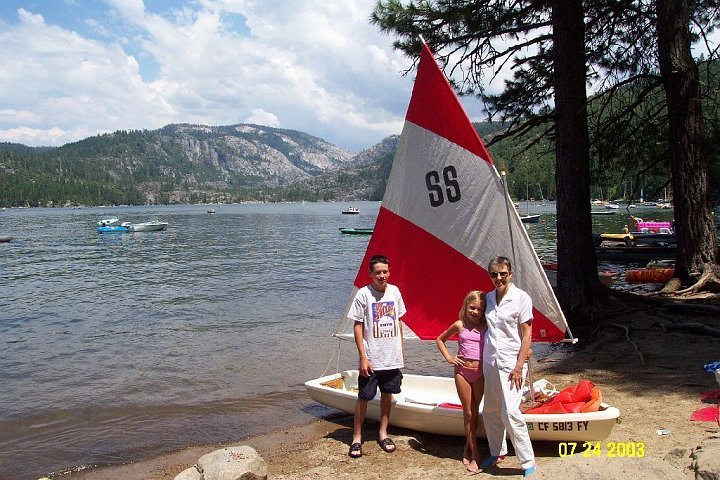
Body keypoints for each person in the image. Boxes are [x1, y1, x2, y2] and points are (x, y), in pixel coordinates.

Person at [481, 256, 536, 477]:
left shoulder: (521, 298)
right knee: (491, 409)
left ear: (510, 274)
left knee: (511, 412)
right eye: (494, 274)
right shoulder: (489, 298)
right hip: (490, 360)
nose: (499, 278)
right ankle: (497, 451)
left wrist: (519, 365)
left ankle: (527, 461)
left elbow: (527, 334)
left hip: (512, 362)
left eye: (503, 273)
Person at [348, 254, 406, 459]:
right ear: (371, 274)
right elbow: (357, 325)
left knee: (387, 395)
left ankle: (383, 433)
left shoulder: (395, 292)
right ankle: (356, 437)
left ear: (389, 272)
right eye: (378, 272)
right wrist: (363, 357)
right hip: (371, 357)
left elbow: (398, 321)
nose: (382, 276)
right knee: (364, 397)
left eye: (385, 272)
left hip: (391, 356)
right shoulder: (364, 294)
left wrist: (401, 349)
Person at [436, 290, 487, 473]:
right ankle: (475, 453)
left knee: (475, 411)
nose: (474, 312)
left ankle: (467, 445)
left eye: (479, 309)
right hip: (462, 372)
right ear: (465, 307)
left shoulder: (487, 326)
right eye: (472, 308)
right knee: (467, 412)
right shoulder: (459, 325)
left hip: (480, 373)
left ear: (483, 311)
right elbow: (440, 339)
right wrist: (450, 358)